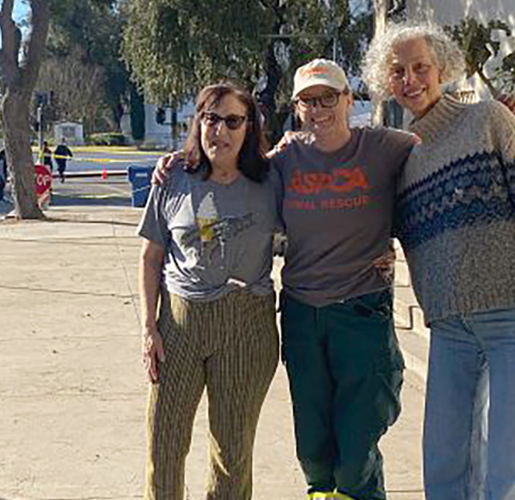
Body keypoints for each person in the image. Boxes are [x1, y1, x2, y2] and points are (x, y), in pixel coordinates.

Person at [153, 60, 413, 500]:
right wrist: (183, 158)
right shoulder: (283, 161)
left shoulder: (385, 146)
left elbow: (432, 150)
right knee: (313, 450)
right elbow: (231, 163)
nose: (319, 109)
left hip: (361, 309)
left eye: (328, 97)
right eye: (308, 101)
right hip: (301, 313)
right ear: (296, 108)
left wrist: (396, 242)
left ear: (349, 100)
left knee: (355, 453)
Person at [362, 23, 515, 500]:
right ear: (386, 82)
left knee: (514, 471)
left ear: (442, 68)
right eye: (398, 71)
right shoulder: (400, 156)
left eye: (421, 67)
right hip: (449, 326)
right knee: (444, 467)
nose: (411, 79)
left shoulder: (487, 120)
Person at [138, 82, 280, 500]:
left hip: (247, 326)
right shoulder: (173, 177)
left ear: (248, 128)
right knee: (164, 445)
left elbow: (320, 212)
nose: (220, 130)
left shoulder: (273, 179)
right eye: (211, 118)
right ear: (198, 122)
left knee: (231, 453)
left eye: (233, 121)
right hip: (180, 325)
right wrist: (150, 327)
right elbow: (150, 257)